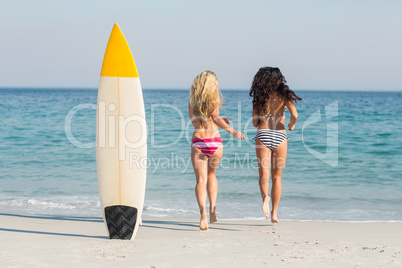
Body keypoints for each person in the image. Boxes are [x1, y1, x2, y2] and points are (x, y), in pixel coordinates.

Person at [189, 70, 245, 230]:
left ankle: (203, 215)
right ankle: (213, 209)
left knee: (200, 180)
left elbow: (198, 123)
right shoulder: (213, 101)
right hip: (215, 143)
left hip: (199, 142)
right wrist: (231, 130)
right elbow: (215, 118)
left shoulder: (192, 102)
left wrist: (218, 120)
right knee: (212, 175)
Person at [249, 67, 301, 223]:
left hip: (263, 134)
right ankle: (274, 214)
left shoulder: (259, 97)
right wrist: (291, 125)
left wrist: (262, 118)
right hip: (280, 135)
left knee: (263, 176)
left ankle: (265, 198)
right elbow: (295, 115)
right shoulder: (285, 96)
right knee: (277, 178)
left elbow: (254, 123)